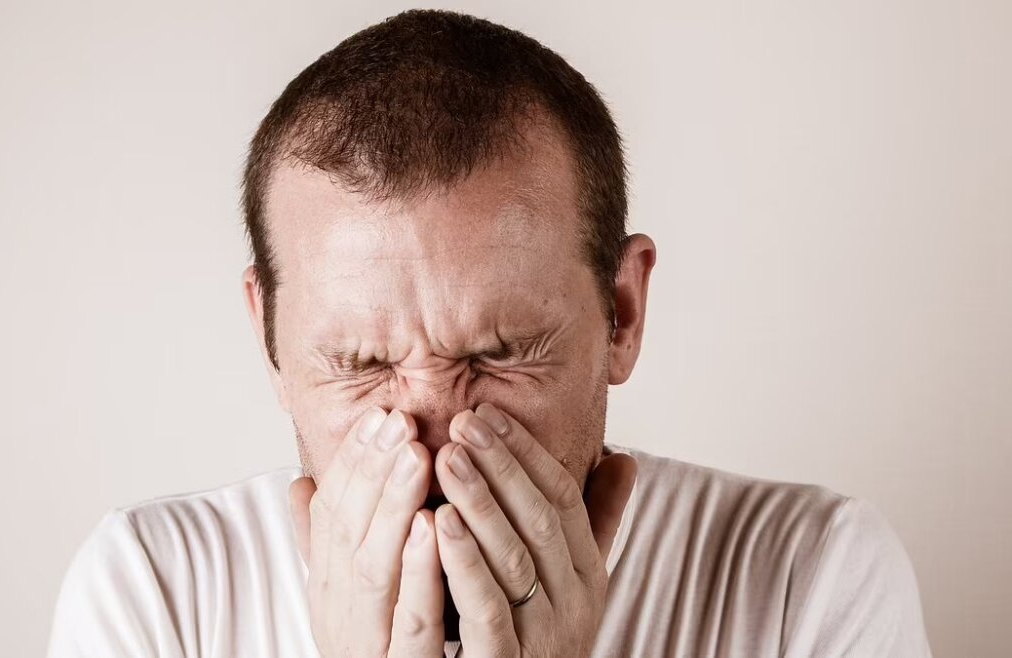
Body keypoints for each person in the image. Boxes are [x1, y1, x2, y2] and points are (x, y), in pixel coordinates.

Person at [46, 9, 932, 657]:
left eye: (498, 353)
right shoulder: (154, 593)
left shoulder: (805, 577)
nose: (432, 435)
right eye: (361, 363)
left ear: (621, 314)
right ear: (269, 339)